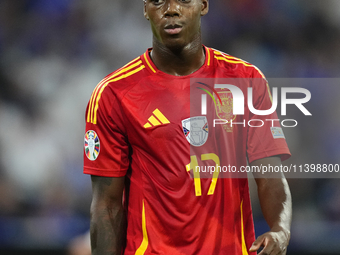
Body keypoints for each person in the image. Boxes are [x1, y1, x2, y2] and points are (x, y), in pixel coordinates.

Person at [83, 0, 292, 254]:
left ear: (203, 5)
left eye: (183, 0)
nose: (171, 9)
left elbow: (270, 174)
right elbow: (107, 205)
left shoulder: (246, 80)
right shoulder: (114, 93)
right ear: (145, 8)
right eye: (158, 1)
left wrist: (281, 230)